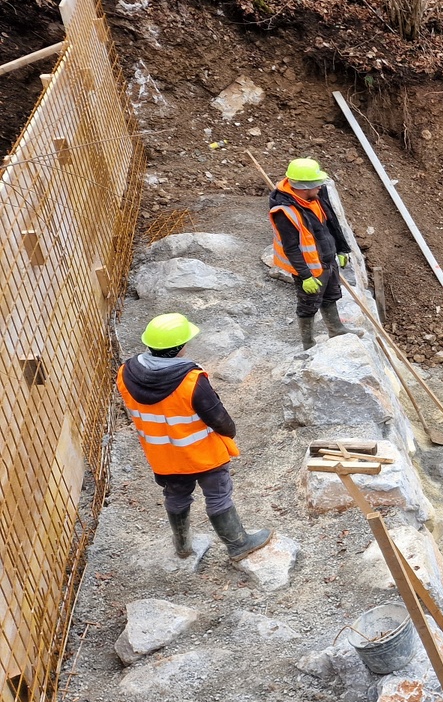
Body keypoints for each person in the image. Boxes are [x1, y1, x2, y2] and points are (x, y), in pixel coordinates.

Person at [116, 313, 271, 562]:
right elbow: (218, 418)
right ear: (179, 347)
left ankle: (183, 545)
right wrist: (230, 432)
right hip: (203, 454)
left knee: (176, 496)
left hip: (164, 456)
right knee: (218, 495)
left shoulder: (125, 373)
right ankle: (238, 544)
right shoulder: (191, 381)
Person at [269, 157, 361, 349]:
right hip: (310, 267)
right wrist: (305, 276)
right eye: (316, 184)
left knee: (330, 295)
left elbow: (331, 223)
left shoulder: (315, 197)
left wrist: (341, 248)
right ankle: (308, 343)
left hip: (327, 259)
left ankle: (336, 329)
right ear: (303, 187)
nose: (320, 186)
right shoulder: (284, 212)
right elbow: (291, 247)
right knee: (308, 305)